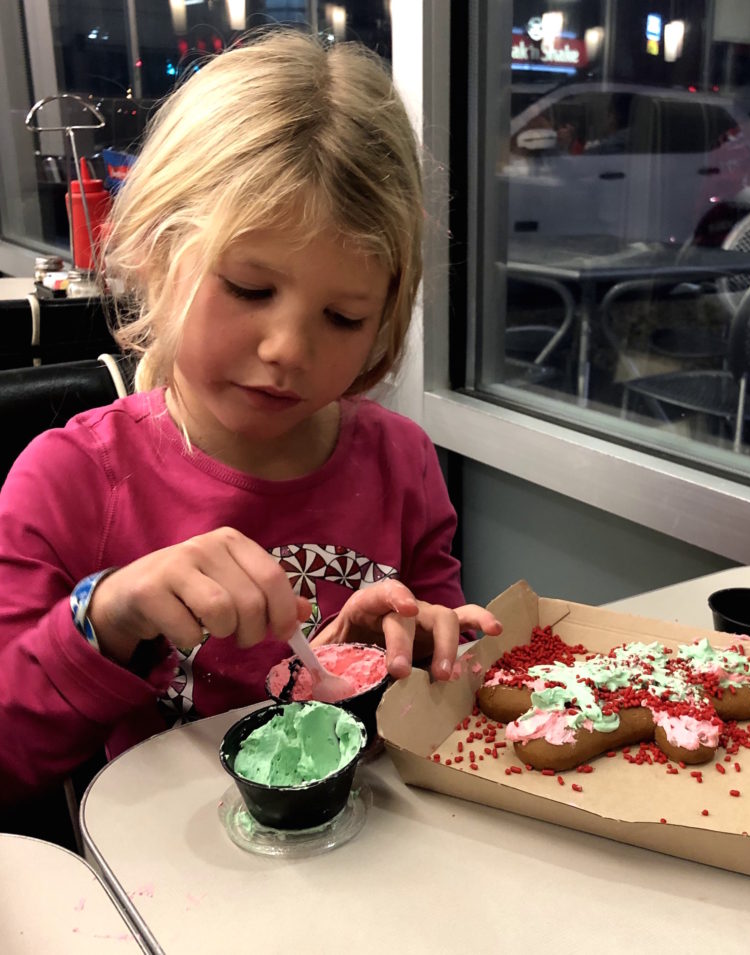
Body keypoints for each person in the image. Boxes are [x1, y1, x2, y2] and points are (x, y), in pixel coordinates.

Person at [0, 29, 502, 805]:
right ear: (156, 255)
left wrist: (415, 647)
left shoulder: (402, 461)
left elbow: (444, 676)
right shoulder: (68, 482)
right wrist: (110, 613)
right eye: (248, 288)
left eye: (341, 315)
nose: (287, 349)